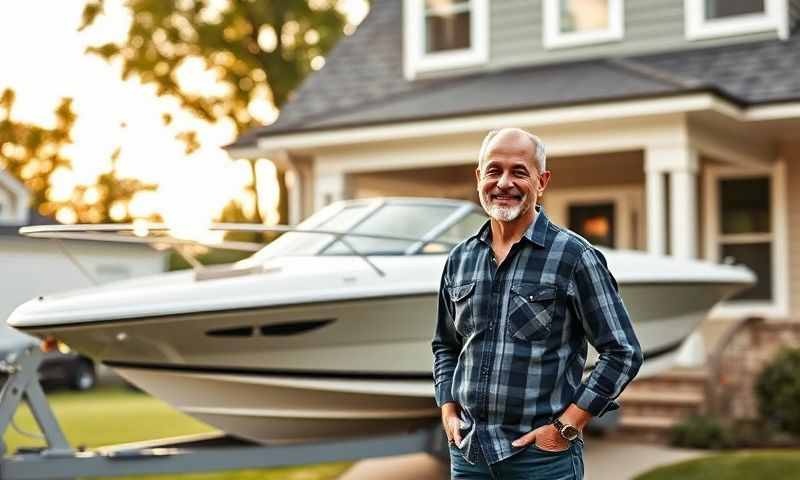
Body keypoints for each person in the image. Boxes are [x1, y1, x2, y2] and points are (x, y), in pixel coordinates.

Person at [432, 128, 643, 479]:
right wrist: (448, 409)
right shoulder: (460, 259)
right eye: (493, 170)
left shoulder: (574, 257)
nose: (503, 182)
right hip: (469, 456)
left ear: (541, 181)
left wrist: (566, 427)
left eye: (518, 171)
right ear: (478, 177)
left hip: (541, 460)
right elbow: (445, 345)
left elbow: (623, 351)